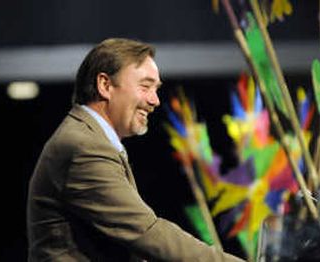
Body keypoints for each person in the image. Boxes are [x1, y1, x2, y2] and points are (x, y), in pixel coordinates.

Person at [27, 38, 244, 261]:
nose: (155, 100)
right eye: (145, 86)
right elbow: (146, 232)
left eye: (156, 89)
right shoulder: (84, 146)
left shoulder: (90, 139)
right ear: (105, 85)